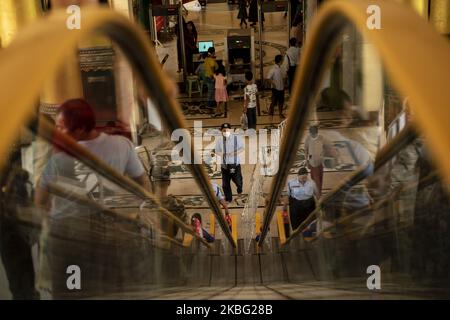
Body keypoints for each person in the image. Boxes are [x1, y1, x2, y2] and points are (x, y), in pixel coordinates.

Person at [150, 165, 187, 238]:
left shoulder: (145, 204)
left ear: (152, 183)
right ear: (169, 182)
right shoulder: (177, 205)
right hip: (169, 245)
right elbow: (186, 231)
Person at [304, 125, 337, 198]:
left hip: (319, 162)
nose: (312, 135)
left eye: (314, 133)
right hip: (312, 163)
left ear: (316, 132)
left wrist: (328, 155)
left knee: (319, 178)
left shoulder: (321, 138)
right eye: (311, 133)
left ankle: (318, 193)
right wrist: (307, 161)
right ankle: (317, 195)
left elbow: (328, 147)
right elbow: (306, 150)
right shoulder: (308, 139)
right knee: (315, 179)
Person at [215, 123, 244, 203]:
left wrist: (234, 153)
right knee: (225, 184)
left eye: (227, 130)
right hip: (224, 166)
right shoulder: (219, 141)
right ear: (221, 131)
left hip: (235, 165)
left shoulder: (236, 139)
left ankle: (239, 191)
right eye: (224, 130)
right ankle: (228, 198)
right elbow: (216, 151)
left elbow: (242, 148)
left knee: (238, 181)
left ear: (230, 130)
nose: (225, 132)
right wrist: (222, 154)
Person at [267, 55, 286, 119]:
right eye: (282, 59)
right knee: (274, 101)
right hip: (275, 88)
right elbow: (268, 78)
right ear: (280, 60)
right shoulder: (273, 69)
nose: (283, 60)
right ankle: (270, 111)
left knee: (281, 101)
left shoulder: (281, 68)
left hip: (281, 88)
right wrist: (273, 84)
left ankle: (280, 114)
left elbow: (282, 77)